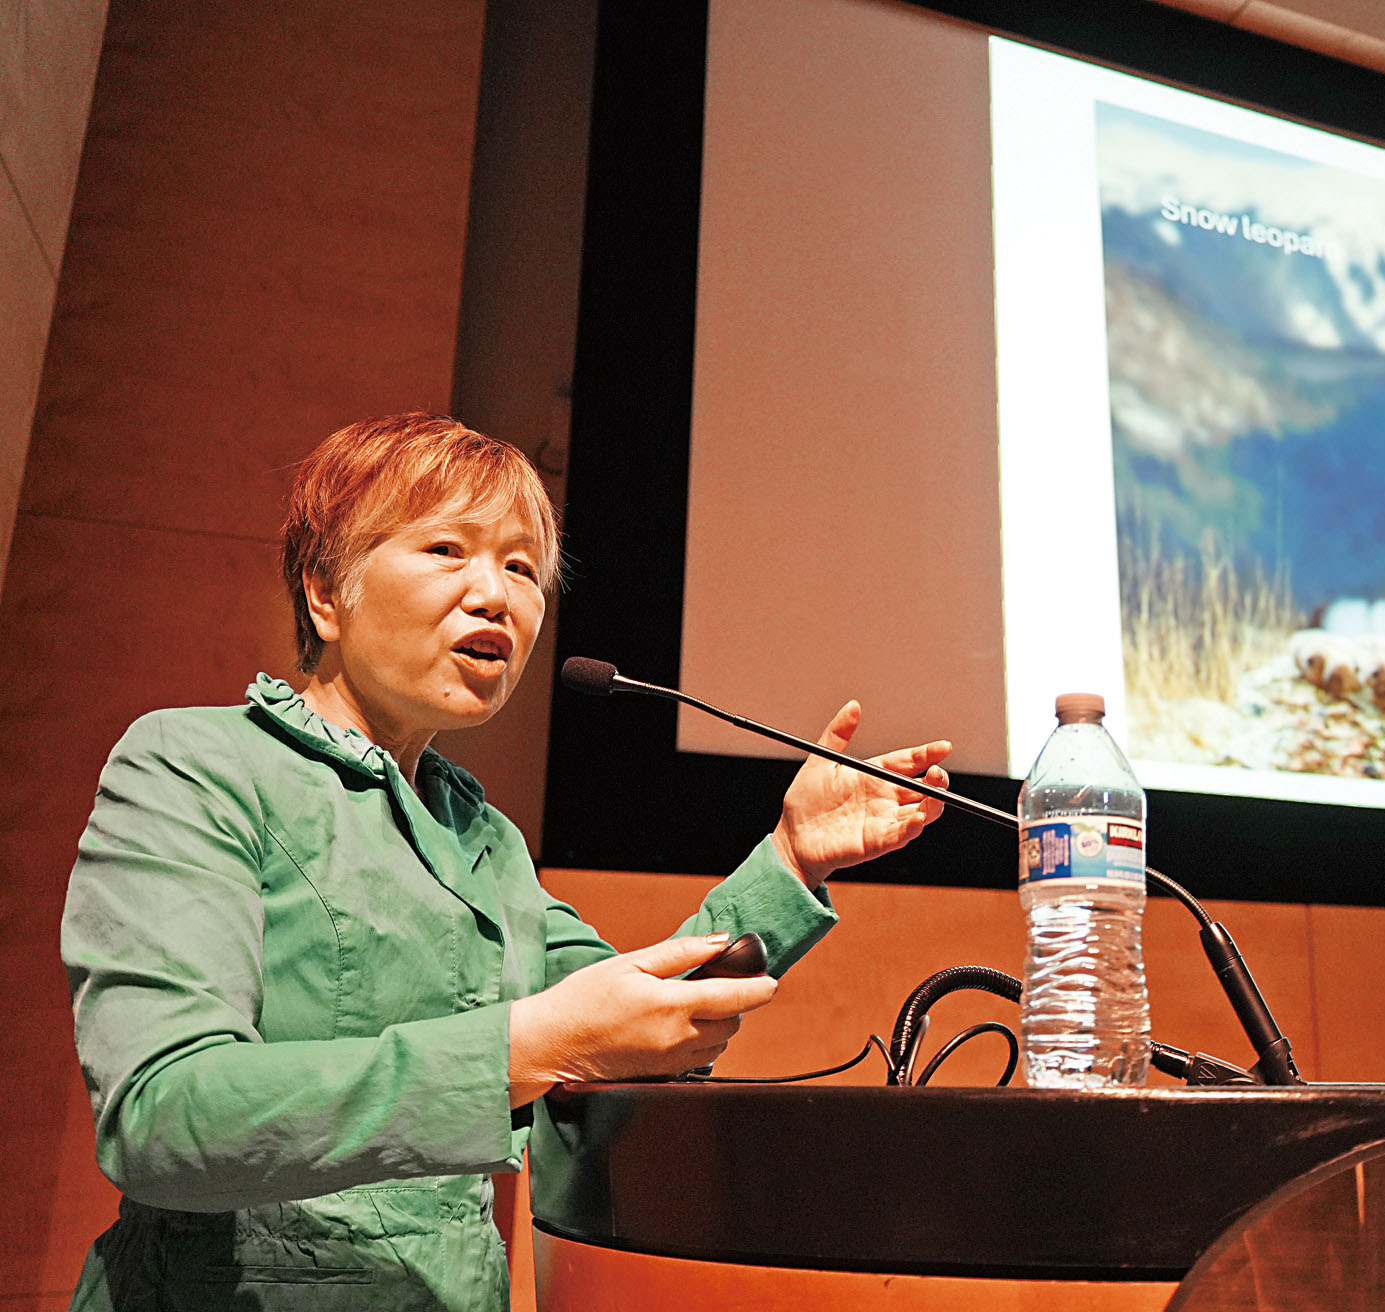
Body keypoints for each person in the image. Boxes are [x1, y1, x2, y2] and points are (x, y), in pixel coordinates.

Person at [60, 413, 952, 1310]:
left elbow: (640, 1028)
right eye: (447, 549)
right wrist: (527, 1046)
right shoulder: (197, 763)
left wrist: (791, 861)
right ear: (325, 593)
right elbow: (164, 1114)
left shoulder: (484, 838)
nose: (495, 595)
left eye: (522, 567)